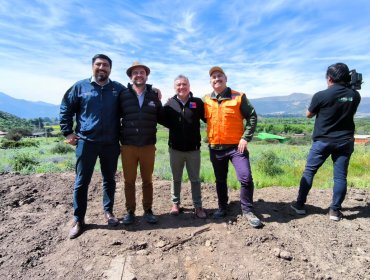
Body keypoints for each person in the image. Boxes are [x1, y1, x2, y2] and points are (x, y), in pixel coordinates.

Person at [60, 54, 124, 239]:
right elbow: (66, 108)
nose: (101, 67)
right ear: (92, 67)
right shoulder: (80, 87)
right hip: (86, 142)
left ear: (110, 69)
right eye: (98, 64)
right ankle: (79, 219)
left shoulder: (117, 89)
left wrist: (154, 90)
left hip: (110, 143)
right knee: (81, 181)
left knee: (109, 179)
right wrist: (67, 132)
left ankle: (108, 212)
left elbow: (133, 99)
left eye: (105, 65)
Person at [291, 62, 361, 221]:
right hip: (345, 141)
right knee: (340, 177)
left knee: (309, 172)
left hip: (323, 141)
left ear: (329, 78)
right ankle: (335, 211)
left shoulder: (321, 95)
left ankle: (299, 205)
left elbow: (309, 114)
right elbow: (350, 109)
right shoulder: (355, 95)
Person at [204, 66, 262, 228]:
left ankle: (247, 210)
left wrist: (246, 137)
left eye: (220, 76)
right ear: (210, 82)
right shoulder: (207, 100)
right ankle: (222, 207)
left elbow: (252, 116)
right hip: (215, 148)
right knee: (220, 179)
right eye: (214, 77)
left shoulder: (239, 96)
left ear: (226, 78)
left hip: (237, 148)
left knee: (245, 178)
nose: (217, 79)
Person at [119, 61, 162, 225]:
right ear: (131, 76)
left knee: (147, 180)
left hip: (148, 145)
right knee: (129, 181)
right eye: (135, 72)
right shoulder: (123, 95)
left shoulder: (153, 95)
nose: (139, 75)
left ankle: (148, 210)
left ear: (146, 75)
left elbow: (161, 115)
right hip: (128, 145)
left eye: (141, 72)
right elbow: (116, 117)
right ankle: (130, 211)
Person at [162, 75, 207, 218]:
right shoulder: (169, 104)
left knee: (195, 179)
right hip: (175, 149)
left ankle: (198, 206)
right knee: (176, 178)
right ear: (175, 87)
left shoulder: (197, 103)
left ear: (189, 86)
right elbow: (160, 118)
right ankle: (175, 204)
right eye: (179, 85)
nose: (181, 87)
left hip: (193, 149)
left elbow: (209, 119)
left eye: (184, 84)